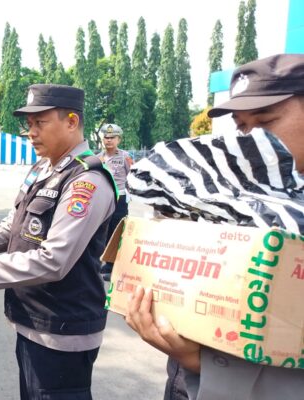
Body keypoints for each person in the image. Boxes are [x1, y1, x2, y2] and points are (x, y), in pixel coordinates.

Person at [126, 53, 304, 400]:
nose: (248, 141)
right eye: (241, 127)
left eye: (265, 122)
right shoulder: (222, 194)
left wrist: (204, 365)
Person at [0, 84, 118, 399]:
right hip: (35, 323)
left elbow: (53, 260)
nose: (30, 133)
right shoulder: (42, 168)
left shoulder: (86, 180)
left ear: (72, 122)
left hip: (63, 330)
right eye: (29, 125)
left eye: (40, 123)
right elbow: (15, 226)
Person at [96, 123, 132, 282]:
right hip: (103, 199)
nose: (108, 140)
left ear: (119, 139)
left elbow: (133, 176)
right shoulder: (98, 157)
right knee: (102, 230)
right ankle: (105, 261)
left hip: (120, 200)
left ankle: (114, 265)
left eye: (112, 138)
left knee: (117, 231)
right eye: (106, 137)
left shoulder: (125, 157)